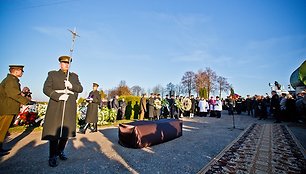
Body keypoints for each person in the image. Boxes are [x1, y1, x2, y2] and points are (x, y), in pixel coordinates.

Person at [42, 56, 83, 167]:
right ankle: (52, 155)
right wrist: (58, 96)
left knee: (66, 132)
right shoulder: (52, 74)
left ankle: (60, 151)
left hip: (69, 105)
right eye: (64, 63)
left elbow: (80, 88)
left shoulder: (74, 76)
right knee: (54, 131)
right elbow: (46, 88)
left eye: (68, 63)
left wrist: (72, 87)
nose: (66, 65)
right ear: (60, 63)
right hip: (56, 104)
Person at [0, 65, 31, 156]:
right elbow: (14, 94)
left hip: (8, 108)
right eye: (21, 71)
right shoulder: (11, 80)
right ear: (16, 71)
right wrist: (27, 102)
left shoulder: (11, 80)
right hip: (7, 109)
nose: (22, 72)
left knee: (3, 130)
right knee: (2, 129)